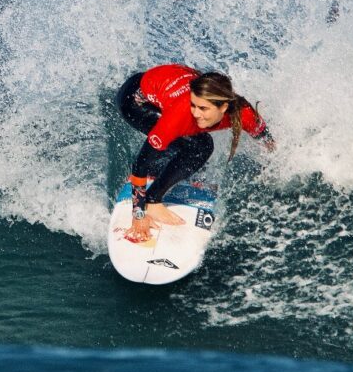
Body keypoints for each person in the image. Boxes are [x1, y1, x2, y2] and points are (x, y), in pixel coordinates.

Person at [114, 63, 274, 242]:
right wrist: (138, 214)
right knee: (201, 145)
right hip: (135, 100)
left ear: (223, 107)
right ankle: (153, 199)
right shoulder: (180, 114)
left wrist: (274, 159)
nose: (196, 114)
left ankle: (166, 165)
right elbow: (140, 164)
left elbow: (264, 137)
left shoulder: (244, 113)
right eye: (194, 105)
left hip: (165, 81)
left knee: (190, 141)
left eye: (203, 109)